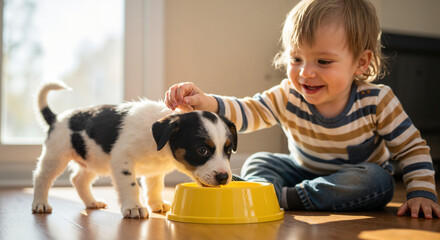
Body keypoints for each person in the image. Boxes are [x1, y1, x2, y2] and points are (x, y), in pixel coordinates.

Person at [163, 0, 439, 219]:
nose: (306, 73)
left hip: (352, 178)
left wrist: (422, 192)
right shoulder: (288, 94)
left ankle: (277, 198)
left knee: (377, 180)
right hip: (299, 170)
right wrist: (208, 102)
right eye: (296, 58)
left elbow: (411, 149)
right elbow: (250, 110)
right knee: (260, 160)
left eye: (323, 61)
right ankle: (276, 194)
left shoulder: (377, 100)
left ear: (361, 63)